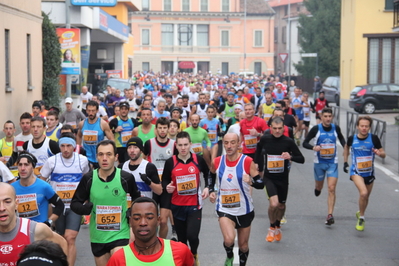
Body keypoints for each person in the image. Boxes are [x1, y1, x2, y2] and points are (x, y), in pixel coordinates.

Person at [71, 140, 141, 266]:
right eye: (101, 154)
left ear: (116, 157)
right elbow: (74, 203)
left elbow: (137, 198)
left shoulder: (126, 177)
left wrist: (131, 212)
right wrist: (85, 210)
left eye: (109, 154)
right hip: (98, 236)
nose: (104, 158)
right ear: (96, 157)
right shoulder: (89, 179)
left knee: (118, 259)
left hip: (120, 233)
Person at [210, 133, 263, 266]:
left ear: (239, 144)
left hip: (244, 209)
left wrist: (251, 182)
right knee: (228, 240)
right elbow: (210, 176)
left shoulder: (246, 162)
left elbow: (261, 183)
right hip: (224, 208)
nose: (229, 146)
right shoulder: (217, 162)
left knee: (243, 246)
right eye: (226, 143)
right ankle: (229, 255)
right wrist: (211, 190)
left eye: (232, 142)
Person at [162, 131, 213, 266]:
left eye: (186, 144)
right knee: (182, 241)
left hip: (194, 206)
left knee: (193, 236)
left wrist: (208, 187)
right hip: (177, 206)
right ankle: (186, 260)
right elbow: (165, 179)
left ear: (190, 144)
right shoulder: (170, 162)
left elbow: (208, 174)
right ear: (176, 146)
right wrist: (167, 187)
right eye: (180, 145)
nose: (183, 148)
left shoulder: (198, 160)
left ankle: (194, 253)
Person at [40, 133, 90, 266]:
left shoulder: (82, 160)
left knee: (70, 237)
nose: (66, 149)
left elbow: (88, 180)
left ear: (74, 146)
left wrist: (85, 200)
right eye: (62, 146)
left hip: (75, 206)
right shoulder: (52, 161)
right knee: (61, 237)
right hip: (58, 206)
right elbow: (42, 183)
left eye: (69, 146)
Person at [255, 117, 305, 242]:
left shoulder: (288, 142)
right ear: (270, 128)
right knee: (274, 203)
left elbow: (301, 158)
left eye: (280, 128)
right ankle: (271, 227)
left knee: (281, 206)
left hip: (282, 178)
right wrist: (257, 164)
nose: (277, 131)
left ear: (284, 128)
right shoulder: (265, 139)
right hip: (269, 177)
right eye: (275, 128)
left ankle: (277, 225)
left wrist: (291, 156)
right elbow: (258, 150)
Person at [106, 197, 194, 266]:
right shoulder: (119, 259)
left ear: (158, 220)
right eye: (137, 218)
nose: (143, 223)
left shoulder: (180, 251)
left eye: (149, 218)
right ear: (130, 222)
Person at [0, 183, 68, 266]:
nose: (2, 208)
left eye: (7, 202)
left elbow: (63, 244)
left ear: (16, 204)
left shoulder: (35, 230)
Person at [303, 108, 346, 225]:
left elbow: (341, 138)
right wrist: (313, 147)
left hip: (332, 162)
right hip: (319, 163)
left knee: (331, 188)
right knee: (319, 186)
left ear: (332, 117)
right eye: (325, 116)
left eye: (329, 116)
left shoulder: (335, 128)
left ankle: (330, 215)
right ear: (321, 117)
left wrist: (345, 147)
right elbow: (305, 142)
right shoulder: (316, 129)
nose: (327, 118)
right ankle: (317, 188)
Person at [343, 116, 386, 231]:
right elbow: (346, 147)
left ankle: (360, 212)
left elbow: (383, 154)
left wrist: (379, 153)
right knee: (363, 193)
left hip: (369, 173)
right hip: (356, 171)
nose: (364, 128)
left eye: (366, 126)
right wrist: (345, 162)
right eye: (362, 126)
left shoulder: (374, 138)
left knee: (366, 197)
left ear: (369, 127)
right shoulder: (352, 138)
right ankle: (361, 218)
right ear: (357, 126)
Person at [143, 118, 177, 240]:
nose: (162, 130)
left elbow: (177, 163)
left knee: (163, 221)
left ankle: (161, 243)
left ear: (168, 129)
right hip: (151, 185)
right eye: (160, 128)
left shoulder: (174, 145)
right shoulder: (149, 144)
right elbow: (142, 160)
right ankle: (151, 241)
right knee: (150, 219)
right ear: (156, 129)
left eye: (165, 128)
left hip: (166, 186)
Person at [12, 152, 65, 224]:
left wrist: (49, 222)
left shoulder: (44, 186)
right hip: (20, 229)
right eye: (20, 165)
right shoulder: (12, 188)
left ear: (33, 167)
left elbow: (60, 205)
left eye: (26, 165)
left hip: (39, 229)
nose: (23, 168)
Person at [77, 100, 114, 168]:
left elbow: (111, 139)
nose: (91, 113)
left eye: (93, 111)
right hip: (86, 157)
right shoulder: (82, 124)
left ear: (97, 111)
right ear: (86, 110)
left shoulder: (103, 124)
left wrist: (110, 154)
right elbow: (79, 136)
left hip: (100, 157)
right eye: (89, 110)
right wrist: (78, 149)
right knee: (88, 177)